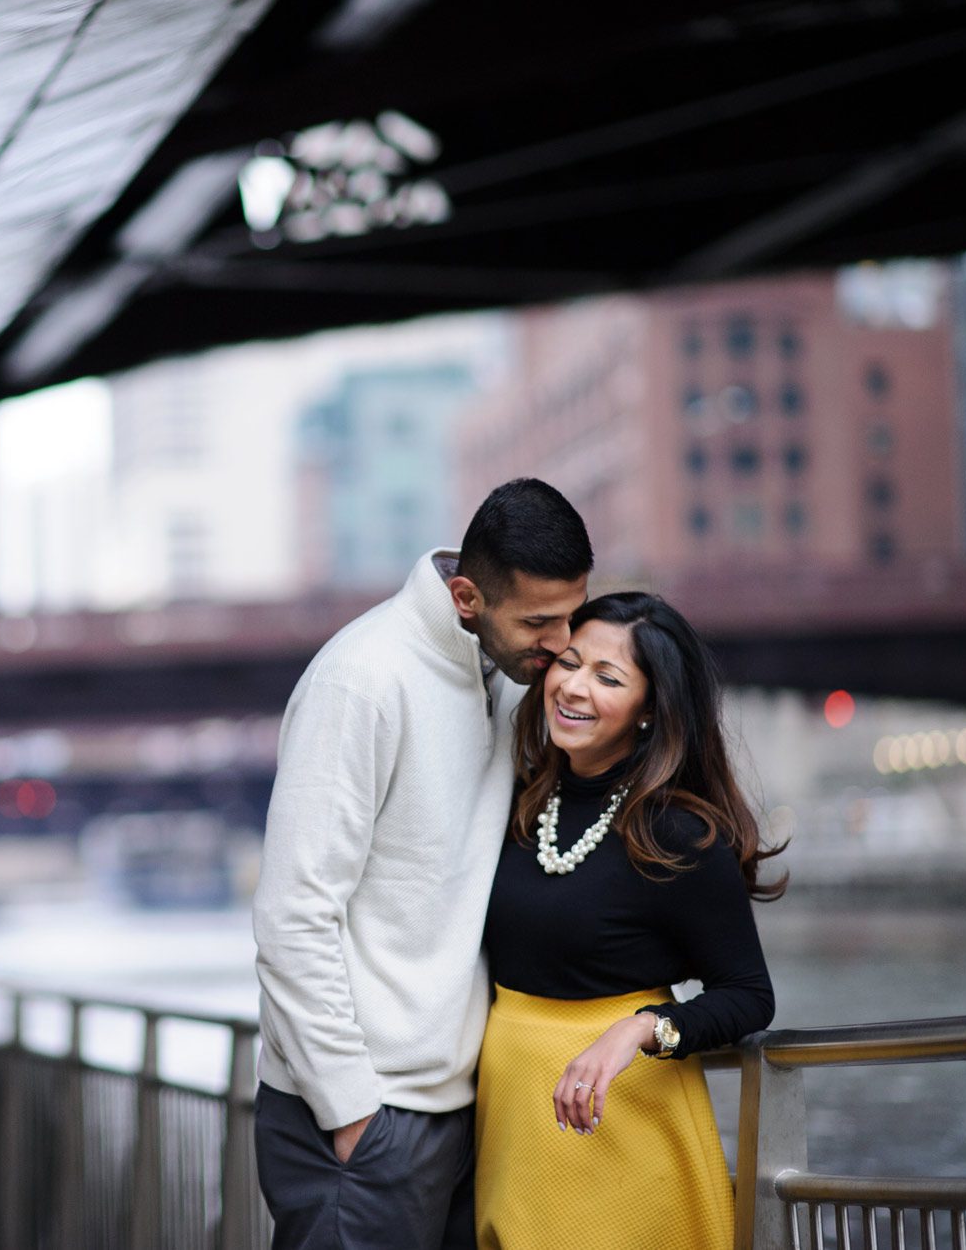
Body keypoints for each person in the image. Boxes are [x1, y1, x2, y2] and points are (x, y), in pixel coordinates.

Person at [252, 478, 593, 1250]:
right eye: (539, 620)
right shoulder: (361, 679)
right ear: (467, 596)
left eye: (571, 613)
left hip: (462, 1109)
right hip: (362, 1121)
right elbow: (292, 914)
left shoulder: (508, 677)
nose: (563, 639)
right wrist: (351, 1115)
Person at [476, 592, 785, 1250]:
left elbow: (750, 995)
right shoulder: (518, 803)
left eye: (607, 677)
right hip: (513, 1129)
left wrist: (642, 1027)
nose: (574, 686)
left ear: (649, 709)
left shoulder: (676, 833)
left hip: (628, 1128)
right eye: (569, 661)